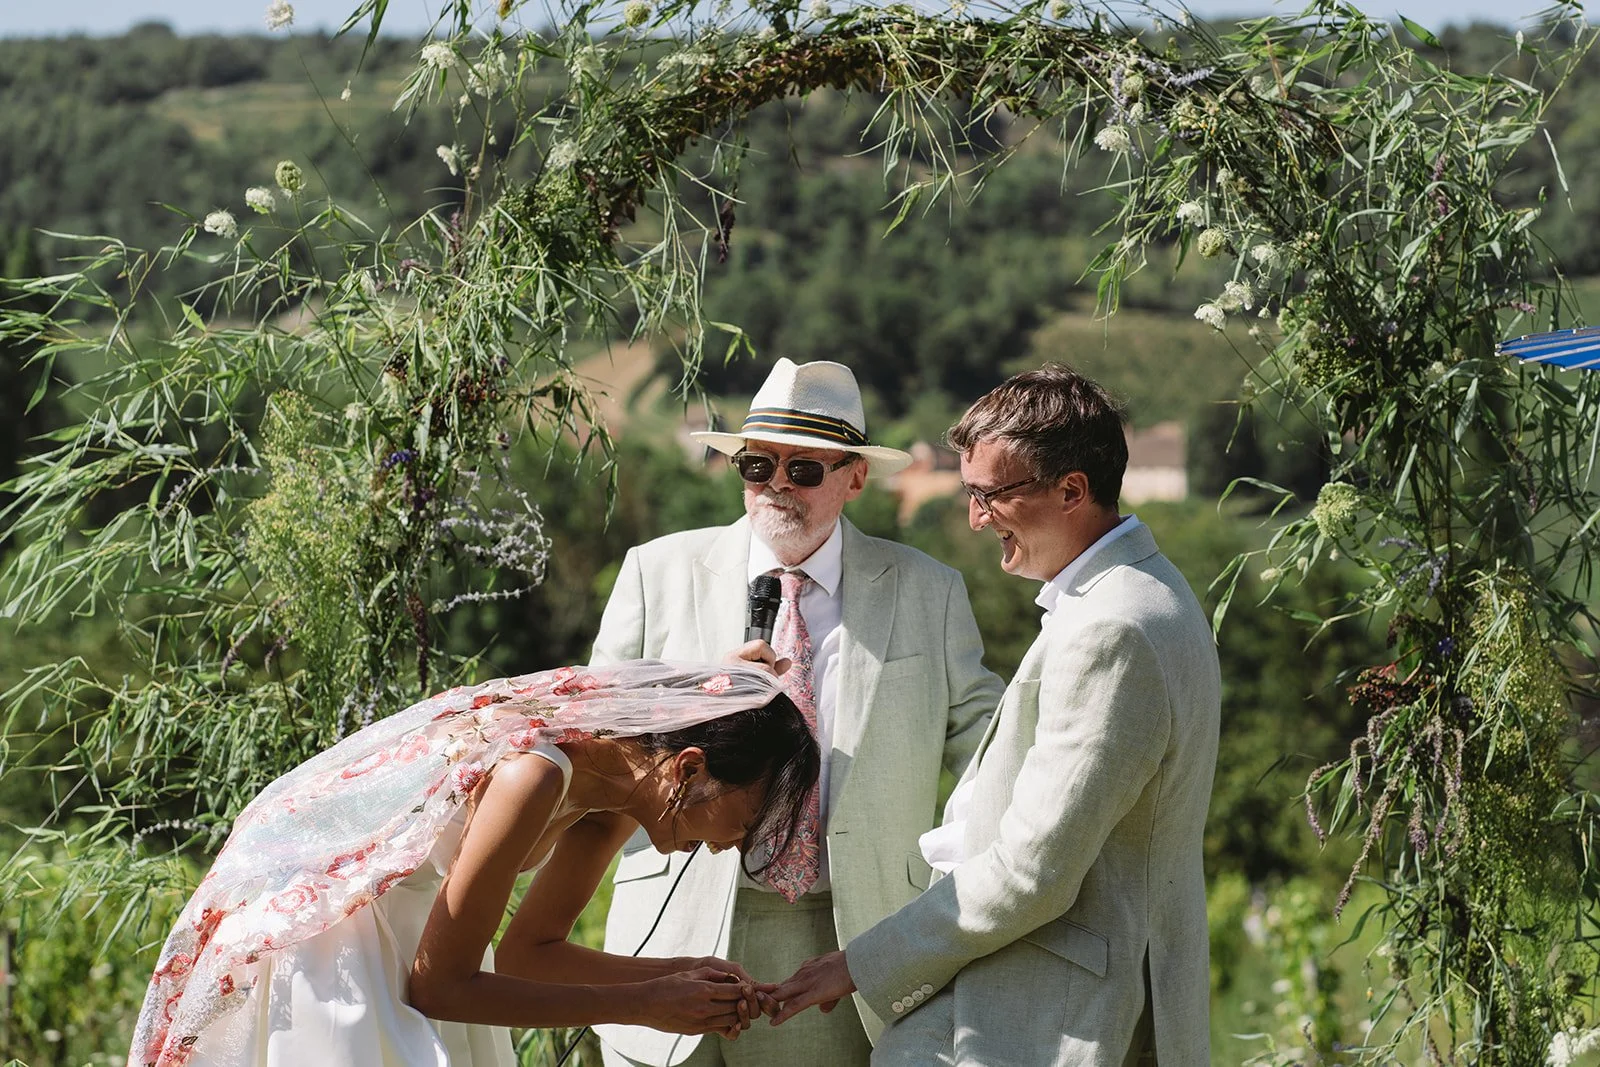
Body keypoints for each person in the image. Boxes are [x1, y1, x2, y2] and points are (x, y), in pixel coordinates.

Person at [770, 364, 1222, 1067]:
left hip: (1051, 1013)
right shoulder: (1136, 591)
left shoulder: (1114, 626)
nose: (975, 518)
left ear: (1071, 489)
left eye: (990, 495)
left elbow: (1032, 870)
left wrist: (863, 961)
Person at [591, 358, 1004, 1067]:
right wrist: (695, 700)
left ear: (855, 476)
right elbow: (590, 744)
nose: (776, 484)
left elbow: (992, 760)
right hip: (669, 933)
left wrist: (949, 906)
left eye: (804, 469)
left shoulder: (929, 591)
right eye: (757, 464)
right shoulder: (654, 572)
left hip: (841, 937)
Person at [127, 661, 819, 1067]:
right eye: (747, 815)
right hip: (338, 946)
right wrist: (642, 1004)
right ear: (688, 767)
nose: (736, 840)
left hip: (421, 947)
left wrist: (679, 977)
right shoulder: (537, 773)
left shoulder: (614, 801)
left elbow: (529, 953)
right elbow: (438, 986)